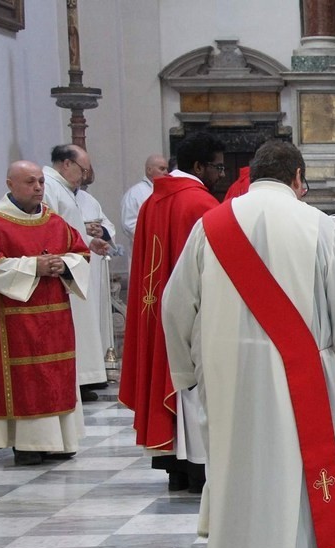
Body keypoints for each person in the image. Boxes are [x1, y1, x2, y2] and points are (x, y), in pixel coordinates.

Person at [162, 140, 335, 548]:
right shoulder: (315, 224)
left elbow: (173, 305)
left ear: (252, 175)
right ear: (298, 177)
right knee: (296, 497)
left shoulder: (210, 225)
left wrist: (191, 373)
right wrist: (331, 353)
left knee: (240, 491)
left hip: (229, 381)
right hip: (298, 378)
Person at [120, 132, 224, 493]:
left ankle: (174, 468)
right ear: (198, 166)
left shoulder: (153, 201)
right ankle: (196, 469)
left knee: (166, 377)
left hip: (154, 312)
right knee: (192, 383)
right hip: (191, 316)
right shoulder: (200, 205)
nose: (220, 176)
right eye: (217, 167)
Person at [0, 161, 90, 465]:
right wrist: (33, 266)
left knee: (57, 374)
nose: (38, 188)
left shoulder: (55, 222)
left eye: (40, 182)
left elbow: (80, 253)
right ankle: (27, 444)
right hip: (14, 318)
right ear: (10, 184)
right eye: (29, 182)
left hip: (56, 316)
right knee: (28, 377)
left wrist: (64, 265)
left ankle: (60, 441)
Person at [43, 144, 111, 400]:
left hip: (74, 262)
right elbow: (48, 227)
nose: (84, 175)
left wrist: (89, 240)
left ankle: (82, 379)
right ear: (66, 163)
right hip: (63, 266)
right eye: (82, 169)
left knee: (81, 324)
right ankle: (77, 381)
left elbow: (68, 228)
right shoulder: (49, 186)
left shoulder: (64, 189)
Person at [76, 167, 121, 368]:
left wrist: (99, 230)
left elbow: (108, 226)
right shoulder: (55, 196)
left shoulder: (88, 199)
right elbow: (58, 226)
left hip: (96, 261)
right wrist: (82, 229)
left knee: (96, 311)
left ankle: (98, 363)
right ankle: (86, 366)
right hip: (77, 262)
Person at [120, 154, 169, 239]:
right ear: (149, 170)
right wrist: (155, 235)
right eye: (162, 169)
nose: (166, 173)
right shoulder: (134, 194)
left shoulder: (167, 192)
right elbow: (129, 224)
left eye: (166, 169)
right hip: (146, 246)